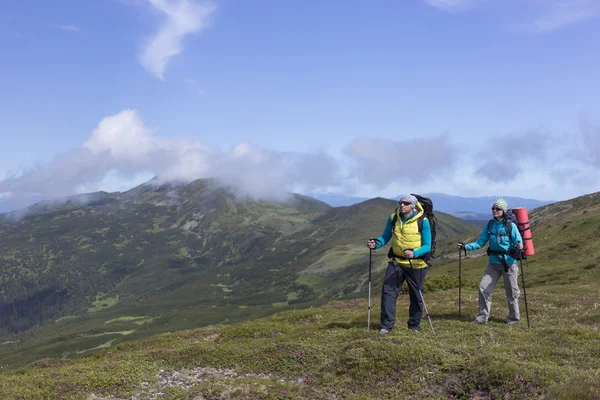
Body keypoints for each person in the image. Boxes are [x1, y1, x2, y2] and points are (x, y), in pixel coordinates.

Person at [367, 194, 432, 334]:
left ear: (412, 205)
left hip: (416, 264)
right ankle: (386, 326)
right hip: (397, 262)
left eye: (406, 203)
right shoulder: (394, 218)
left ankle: (414, 326)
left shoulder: (423, 221)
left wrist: (414, 253)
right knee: (388, 293)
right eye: (401, 202)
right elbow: (385, 237)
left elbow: (427, 245)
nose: (402, 205)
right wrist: (375, 244)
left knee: (416, 296)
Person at [457, 198, 524, 325]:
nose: (494, 211)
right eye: (493, 208)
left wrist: (520, 246)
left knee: (512, 293)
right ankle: (482, 318)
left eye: (497, 209)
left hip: (508, 264)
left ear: (503, 210)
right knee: (483, 288)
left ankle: (513, 319)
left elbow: (518, 242)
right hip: (493, 263)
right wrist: (465, 247)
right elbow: (480, 242)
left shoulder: (511, 226)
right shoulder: (490, 225)